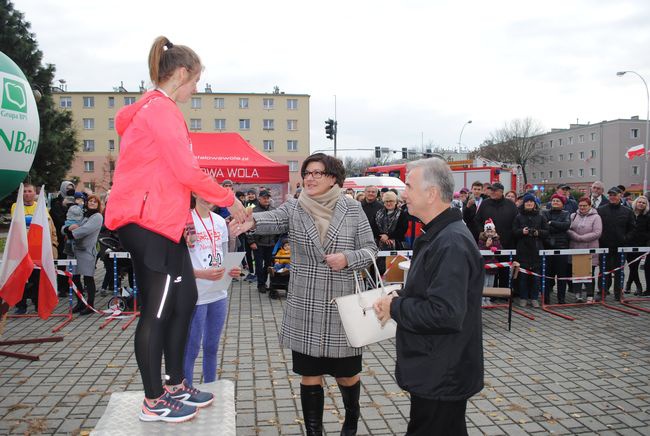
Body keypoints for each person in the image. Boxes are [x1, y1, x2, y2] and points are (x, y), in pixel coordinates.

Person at [104, 36, 246, 423]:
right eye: (196, 80)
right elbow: (186, 171)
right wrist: (230, 200)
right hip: (145, 224)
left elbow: (168, 176)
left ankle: (175, 382)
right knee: (158, 310)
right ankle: (153, 400)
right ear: (182, 74)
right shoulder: (160, 110)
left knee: (183, 304)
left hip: (164, 226)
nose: (197, 88)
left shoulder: (159, 111)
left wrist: (184, 218)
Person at [232, 153, 376, 435]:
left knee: (347, 374)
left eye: (317, 173)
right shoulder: (296, 207)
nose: (309, 178)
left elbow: (370, 249)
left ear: (333, 177)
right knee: (310, 373)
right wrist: (250, 223)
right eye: (307, 173)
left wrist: (348, 258)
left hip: (341, 307)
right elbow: (272, 218)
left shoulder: (352, 209)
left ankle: (351, 420)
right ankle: (314, 430)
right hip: (305, 305)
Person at [373, 157, 484, 435]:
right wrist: (401, 294)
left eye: (408, 187)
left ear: (431, 193)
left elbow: (445, 313)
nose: (403, 194)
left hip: (442, 371)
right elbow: (432, 290)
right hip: (438, 368)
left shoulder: (450, 242)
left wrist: (396, 306)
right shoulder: (439, 235)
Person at [183, 194, 240, 386]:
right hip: (195, 293)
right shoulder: (185, 219)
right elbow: (175, 262)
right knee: (191, 347)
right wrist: (199, 274)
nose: (208, 198)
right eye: (203, 193)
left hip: (218, 292)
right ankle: (186, 389)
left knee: (212, 346)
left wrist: (231, 268)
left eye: (211, 194)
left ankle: (211, 386)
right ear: (194, 194)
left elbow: (223, 255)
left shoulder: (219, 221)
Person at [12, 183, 58, 314]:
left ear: (34, 193)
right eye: (24, 191)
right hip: (21, 249)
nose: (27, 194)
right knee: (21, 279)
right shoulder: (16, 207)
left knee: (36, 278)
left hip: (36, 249)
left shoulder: (40, 208)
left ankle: (38, 303)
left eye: (29, 191)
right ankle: (21, 305)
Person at [63, 194, 103, 315]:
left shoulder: (97, 216)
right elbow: (69, 224)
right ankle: (80, 302)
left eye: (94, 202)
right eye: (90, 201)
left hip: (87, 251)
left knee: (88, 278)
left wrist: (70, 233)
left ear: (98, 205)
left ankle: (90, 305)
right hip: (75, 251)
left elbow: (85, 229)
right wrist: (66, 229)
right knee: (74, 277)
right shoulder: (84, 215)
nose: (92, 203)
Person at [474, 182, 519, 288]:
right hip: (488, 244)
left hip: (506, 243)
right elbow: (477, 220)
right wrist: (483, 234)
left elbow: (516, 222)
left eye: (495, 191)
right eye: (491, 190)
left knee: (504, 268)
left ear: (501, 192)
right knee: (490, 269)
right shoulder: (485, 203)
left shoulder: (510, 204)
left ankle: (503, 292)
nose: (492, 192)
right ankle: (490, 294)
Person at [597, 187, 635, 301]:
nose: (612, 197)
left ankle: (618, 293)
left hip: (620, 247)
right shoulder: (601, 210)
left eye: (615, 195)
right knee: (604, 271)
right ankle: (602, 291)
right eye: (610, 195)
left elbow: (632, 228)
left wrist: (625, 239)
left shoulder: (627, 211)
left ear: (620, 196)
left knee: (619, 271)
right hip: (605, 246)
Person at [513, 193, 549, 307]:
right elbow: (513, 231)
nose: (529, 204)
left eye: (531, 202)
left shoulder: (541, 216)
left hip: (536, 249)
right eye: (527, 202)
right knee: (522, 277)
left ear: (534, 204)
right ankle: (523, 297)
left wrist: (538, 232)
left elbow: (547, 232)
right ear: (524, 204)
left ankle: (534, 298)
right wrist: (521, 232)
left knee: (536, 277)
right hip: (522, 250)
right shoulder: (518, 217)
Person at [567, 197, 602, 303]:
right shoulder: (573, 216)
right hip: (575, 248)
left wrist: (582, 238)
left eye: (585, 206)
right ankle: (578, 295)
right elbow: (568, 229)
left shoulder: (596, 217)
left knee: (589, 273)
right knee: (577, 272)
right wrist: (575, 236)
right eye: (580, 205)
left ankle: (590, 295)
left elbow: (597, 232)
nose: (582, 207)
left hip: (589, 249)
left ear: (590, 206)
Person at [247, 190, 279, 294]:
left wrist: (277, 241)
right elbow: (248, 228)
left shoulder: (273, 210)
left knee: (268, 265)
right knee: (259, 265)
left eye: (268, 198)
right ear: (259, 198)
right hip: (258, 243)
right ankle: (261, 284)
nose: (266, 200)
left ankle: (266, 282)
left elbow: (277, 226)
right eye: (264, 198)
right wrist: (251, 242)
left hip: (271, 243)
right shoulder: (254, 211)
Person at [541, 193, 571, 304]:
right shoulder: (544, 213)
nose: (555, 203)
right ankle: (546, 298)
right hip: (548, 246)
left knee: (562, 274)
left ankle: (561, 298)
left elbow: (566, 226)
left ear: (562, 204)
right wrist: (557, 226)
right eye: (553, 201)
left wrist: (552, 223)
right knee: (548, 274)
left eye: (558, 201)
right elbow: (545, 227)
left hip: (562, 247)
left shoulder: (566, 213)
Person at [374, 190, 408, 275]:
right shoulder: (378, 213)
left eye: (391, 201)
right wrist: (382, 237)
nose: (389, 203)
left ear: (396, 202)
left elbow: (402, 230)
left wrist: (388, 236)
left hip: (396, 245)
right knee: (379, 271)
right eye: (386, 201)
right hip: (379, 245)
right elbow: (373, 228)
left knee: (394, 273)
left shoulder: (402, 214)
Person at [625, 196, 649, 295]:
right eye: (639, 202)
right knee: (632, 266)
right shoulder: (629, 214)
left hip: (641, 245)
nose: (641, 204)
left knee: (634, 266)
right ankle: (631, 284)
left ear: (646, 205)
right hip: (629, 244)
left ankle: (636, 286)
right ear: (636, 203)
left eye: (644, 203)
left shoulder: (647, 216)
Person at [478, 218, 501, 306]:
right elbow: (479, 250)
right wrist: (487, 246)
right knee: (484, 283)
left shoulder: (497, 240)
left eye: (491, 232)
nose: (490, 234)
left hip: (493, 265)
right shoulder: (481, 240)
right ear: (485, 232)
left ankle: (488, 298)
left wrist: (495, 247)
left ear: (494, 232)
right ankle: (482, 299)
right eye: (488, 232)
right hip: (484, 265)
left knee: (490, 284)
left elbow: (500, 250)